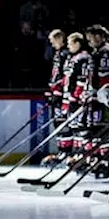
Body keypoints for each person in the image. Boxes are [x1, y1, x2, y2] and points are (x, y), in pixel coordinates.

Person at [85, 24, 109, 177]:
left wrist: (98, 91)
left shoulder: (106, 52)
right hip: (97, 96)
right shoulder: (97, 52)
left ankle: (105, 162)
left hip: (104, 98)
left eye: (91, 37)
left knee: (103, 129)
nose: (89, 40)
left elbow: (107, 76)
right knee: (95, 129)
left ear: (99, 36)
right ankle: (98, 160)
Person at [41, 29, 70, 165]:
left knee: (63, 123)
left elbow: (65, 77)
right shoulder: (58, 54)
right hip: (57, 93)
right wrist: (51, 91)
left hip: (63, 95)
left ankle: (67, 152)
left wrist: (59, 93)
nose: (52, 44)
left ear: (60, 38)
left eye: (53, 41)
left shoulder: (66, 54)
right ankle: (62, 151)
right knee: (57, 123)